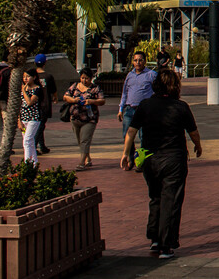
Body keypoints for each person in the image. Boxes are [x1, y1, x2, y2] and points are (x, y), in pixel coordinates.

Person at [121, 69, 202, 260]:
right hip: (174, 158)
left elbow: (132, 131)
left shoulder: (145, 105)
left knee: (155, 197)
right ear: (175, 86)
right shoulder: (181, 107)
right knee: (171, 200)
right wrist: (198, 146)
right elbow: (193, 132)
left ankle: (155, 239)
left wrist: (126, 153)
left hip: (149, 158)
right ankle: (166, 245)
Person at [118, 51, 157, 170]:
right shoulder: (129, 75)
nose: (138, 62)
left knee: (143, 136)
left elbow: (157, 92)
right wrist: (121, 108)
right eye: (135, 60)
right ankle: (130, 158)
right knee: (127, 135)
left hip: (145, 110)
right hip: (130, 110)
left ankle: (142, 161)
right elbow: (125, 93)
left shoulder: (152, 75)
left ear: (145, 61)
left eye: (140, 60)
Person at [64, 68, 105, 171]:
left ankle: (82, 163)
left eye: (86, 78)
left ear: (91, 78)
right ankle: (88, 157)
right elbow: (65, 96)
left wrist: (92, 101)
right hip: (75, 118)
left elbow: (102, 100)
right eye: (82, 78)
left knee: (84, 140)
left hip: (90, 119)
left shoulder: (95, 88)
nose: (84, 80)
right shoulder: (75, 86)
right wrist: (74, 100)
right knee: (80, 140)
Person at [31, 54, 56, 154]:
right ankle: (34, 145)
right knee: (40, 126)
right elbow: (53, 90)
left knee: (40, 125)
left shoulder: (32, 76)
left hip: (34, 103)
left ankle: (42, 146)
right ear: (45, 63)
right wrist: (55, 98)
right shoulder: (48, 76)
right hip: (45, 104)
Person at [18, 70, 43, 165]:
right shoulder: (22, 89)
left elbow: (29, 102)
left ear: (34, 77)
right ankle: (34, 163)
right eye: (24, 77)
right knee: (30, 142)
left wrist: (24, 91)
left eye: (28, 77)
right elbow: (19, 105)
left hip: (33, 118)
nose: (25, 79)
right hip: (24, 118)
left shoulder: (37, 89)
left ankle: (27, 164)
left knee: (27, 141)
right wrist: (19, 120)